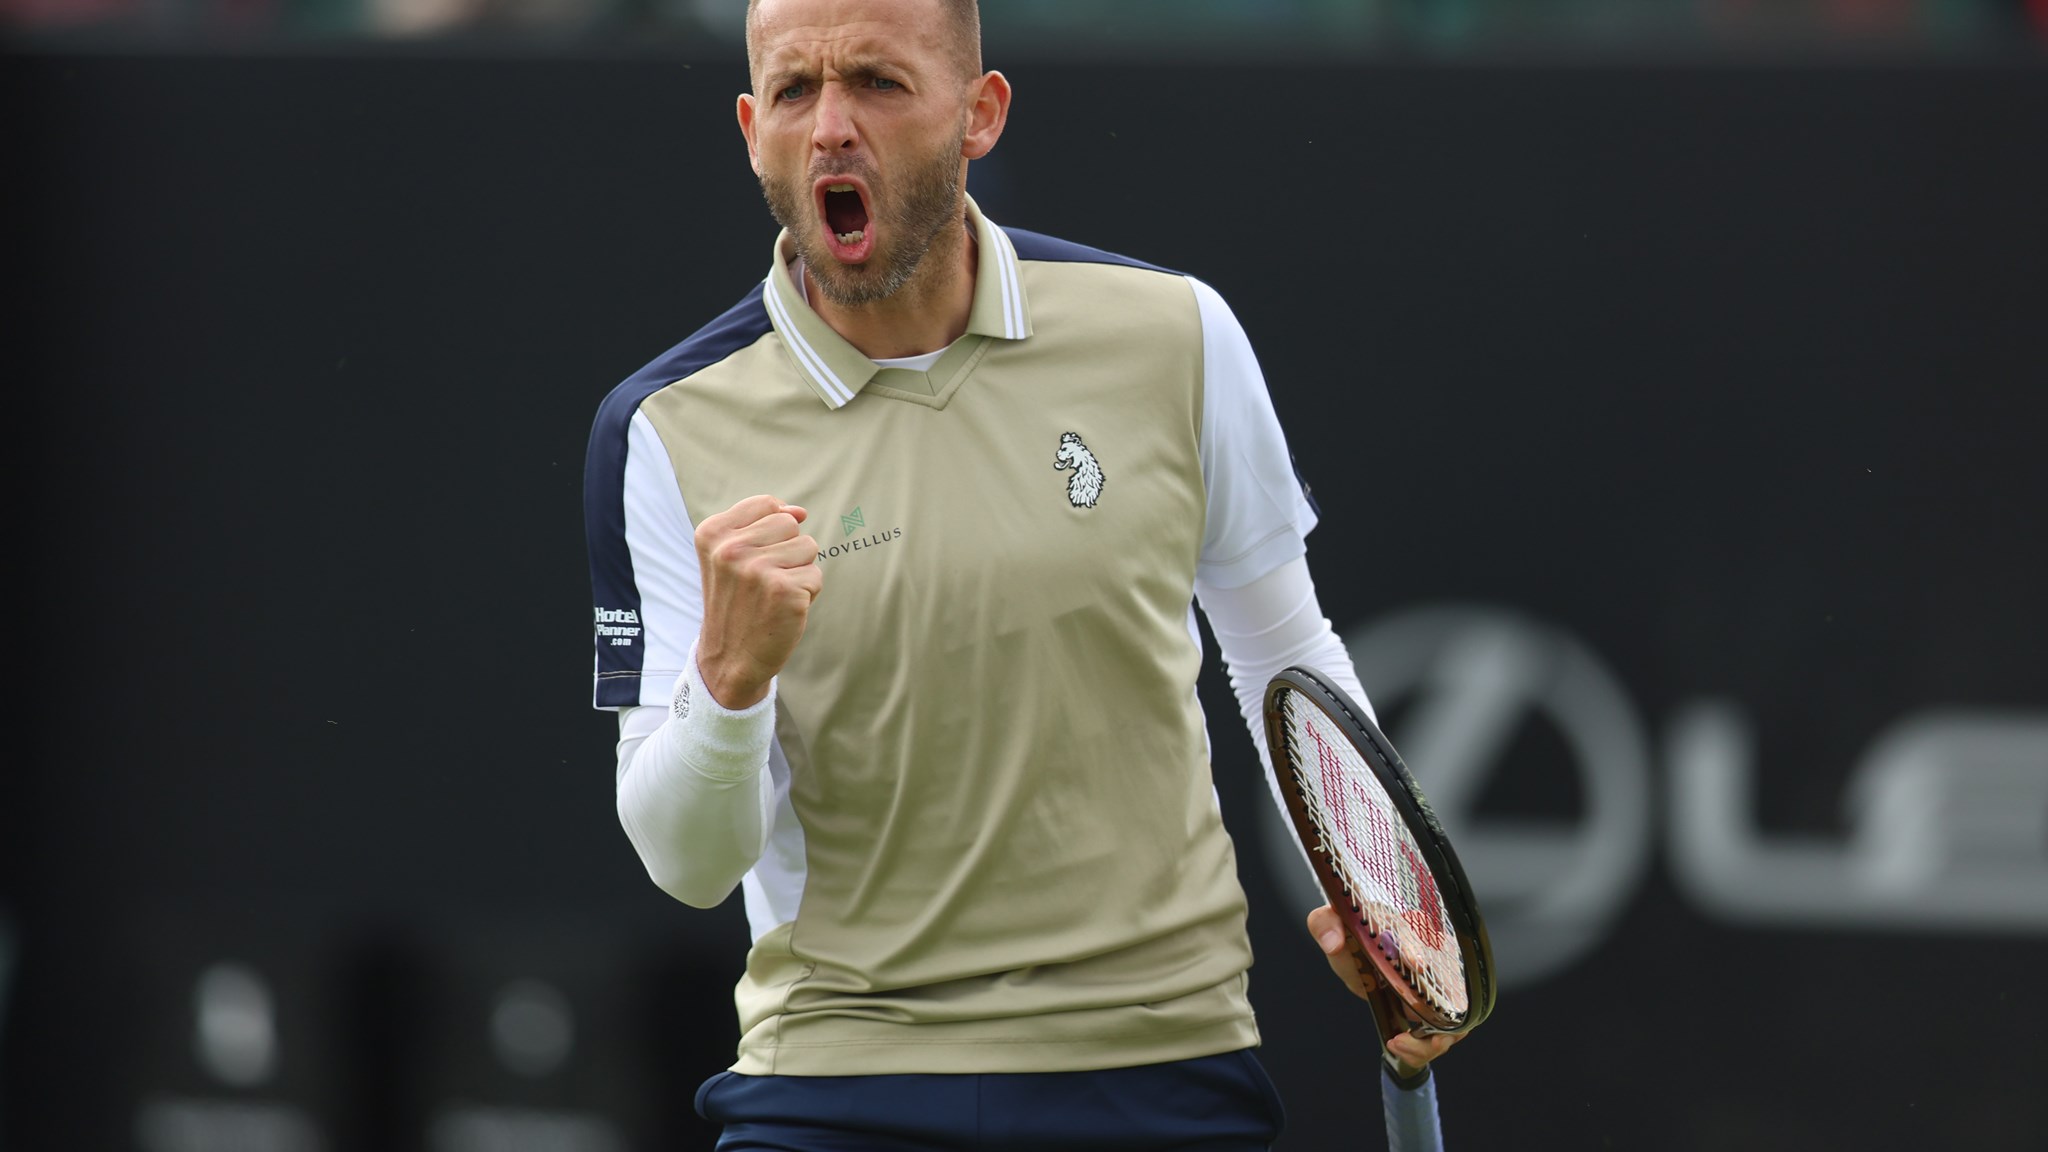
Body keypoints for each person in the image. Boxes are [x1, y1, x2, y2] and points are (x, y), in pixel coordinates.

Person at [582, 0, 1466, 1146]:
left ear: (979, 114)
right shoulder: (658, 430)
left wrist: (1386, 907)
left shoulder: (1175, 334)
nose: (831, 127)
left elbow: (1280, 661)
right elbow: (687, 865)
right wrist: (729, 687)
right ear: (752, 130)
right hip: (836, 1084)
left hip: (1158, 1065)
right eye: (795, 92)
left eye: (877, 82)